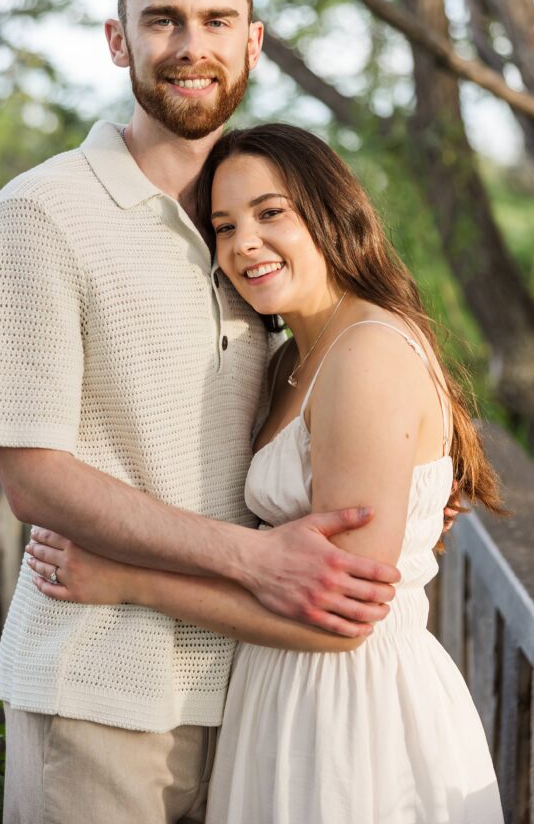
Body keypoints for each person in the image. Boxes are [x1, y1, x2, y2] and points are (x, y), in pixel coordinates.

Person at [0, 0, 405, 824]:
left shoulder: (261, 230)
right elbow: (34, 476)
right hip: (102, 683)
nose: (190, 45)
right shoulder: (40, 213)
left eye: (216, 20)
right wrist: (253, 559)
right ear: (119, 40)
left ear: (253, 41)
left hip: (258, 690)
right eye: (162, 20)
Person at [27, 125, 505, 822]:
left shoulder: (366, 353)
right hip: (280, 692)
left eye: (270, 213)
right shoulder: (287, 361)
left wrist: (128, 580)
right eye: (223, 227)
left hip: (349, 709)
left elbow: (341, 624)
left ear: (333, 212)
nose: (243, 243)